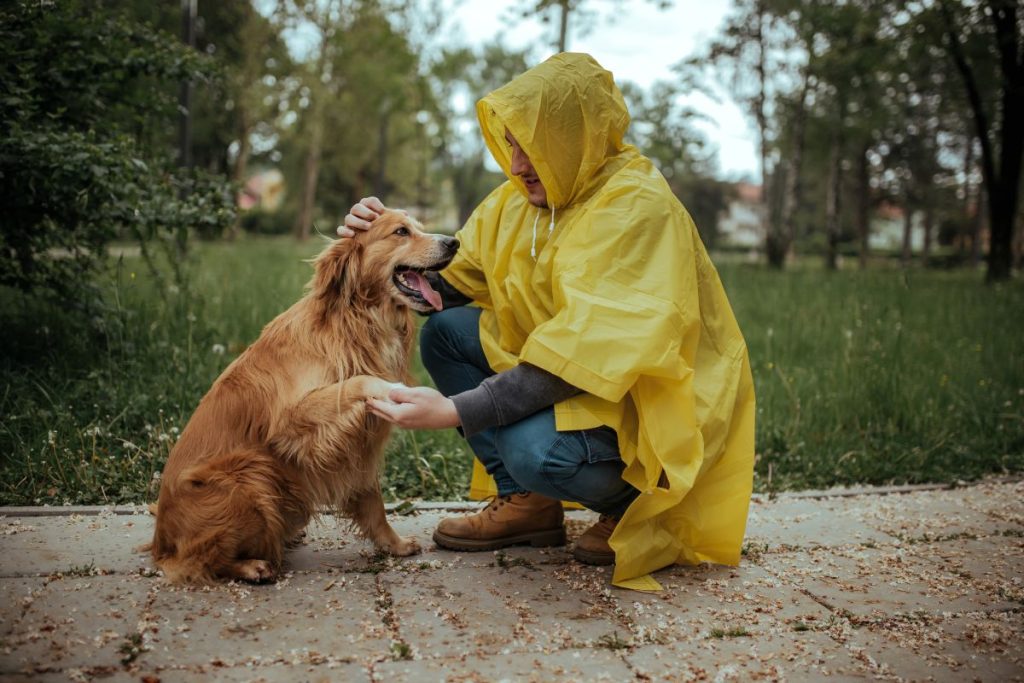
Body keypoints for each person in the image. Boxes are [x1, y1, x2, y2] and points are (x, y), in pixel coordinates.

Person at [339, 53, 755, 591]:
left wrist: (455, 409)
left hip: (645, 414)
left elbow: (583, 359)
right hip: (578, 383)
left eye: (530, 145)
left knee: (531, 449)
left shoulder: (636, 209)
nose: (515, 164)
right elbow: (443, 288)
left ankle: (636, 505)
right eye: (510, 143)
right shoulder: (516, 204)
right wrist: (375, 242)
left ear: (574, 137)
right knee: (445, 332)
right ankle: (529, 505)